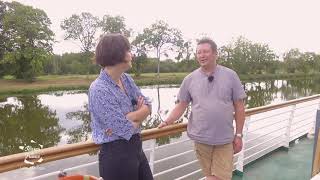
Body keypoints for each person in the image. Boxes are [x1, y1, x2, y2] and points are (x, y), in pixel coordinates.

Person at [158, 38, 246, 180]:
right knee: (209, 175)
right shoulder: (190, 79)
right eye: (199, 52)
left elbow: (240, 107)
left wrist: (239, 135)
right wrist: (167, 121)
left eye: (205, 51)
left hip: (224, 139)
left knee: (221, 177)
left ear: (215, 54)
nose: (202, 55)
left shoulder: (231, 76)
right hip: (200, 138)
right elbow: (181, 105)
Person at [88, 34, 153, 180]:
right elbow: (123, 128)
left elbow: (148, 106)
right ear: (116, 54)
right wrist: (138, 114)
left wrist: (130, 117)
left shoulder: (126, 79)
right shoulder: (99, 88)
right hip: (115, 156)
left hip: (136, 148)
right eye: (128, 50)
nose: (132, 54)